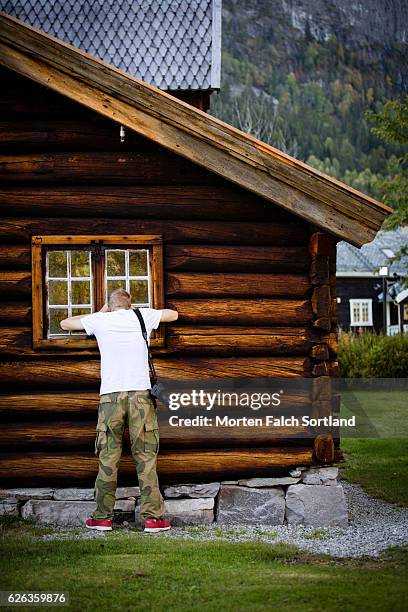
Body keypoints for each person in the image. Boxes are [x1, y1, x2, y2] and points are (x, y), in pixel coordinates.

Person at [60, 288, 178, 533]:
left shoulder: (100, 319)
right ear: (129, 303)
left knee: (107, 457)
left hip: (110, 398)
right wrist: (140, 312)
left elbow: (64, 323)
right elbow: (172, 315)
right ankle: (153, 519)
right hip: (141, 397)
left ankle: (102, 518)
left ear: (110, 305)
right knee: (145, 456)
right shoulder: (141, 316)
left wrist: (101, 312)